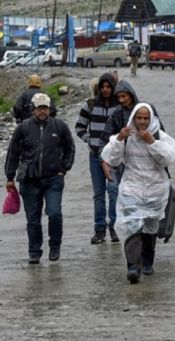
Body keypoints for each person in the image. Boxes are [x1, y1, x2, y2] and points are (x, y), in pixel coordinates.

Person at [101, 103, 175, 284]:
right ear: (133, 118)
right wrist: (119, 139)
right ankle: (133, 266)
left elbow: (170, 158)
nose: (142, 122)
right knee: (132, 225)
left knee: (150, 225)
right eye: (139, 118)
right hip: (132, 186)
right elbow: (112, 158)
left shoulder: (160, 137)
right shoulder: (126, 136)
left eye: (145, 118)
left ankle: (148, 260)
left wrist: (152, 142)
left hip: (155, 188)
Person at [5, 93, 75, 264]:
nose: (42, 111)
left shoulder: (59, 126)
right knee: (33, 219)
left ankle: (55, 245)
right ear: (33, 110)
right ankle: (34, 252)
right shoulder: (23, 128)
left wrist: (63, 168)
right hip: (29, 180)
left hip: (53, 179)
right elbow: (13, 153)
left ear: (50, 109)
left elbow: (70, 148)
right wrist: (9, 177)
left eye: (45, 108)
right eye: (39, 108)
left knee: (54, 213)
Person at [75, 73, 120, 244]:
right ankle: (99, 229)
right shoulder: (90, 105)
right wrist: (90, 140)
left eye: (109, 87)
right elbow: (79, 127)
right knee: (99, 194)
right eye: (103, 87)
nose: (106, 90)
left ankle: (115, 226)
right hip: (95, 156)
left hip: (114, 157)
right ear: (99, 88)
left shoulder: (119, 107)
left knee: (114, 191)